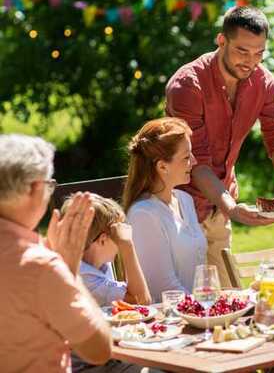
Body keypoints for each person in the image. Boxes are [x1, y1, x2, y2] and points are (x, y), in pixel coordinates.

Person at [166, 5, 274, 286]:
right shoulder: (187, 86)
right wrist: (232, 208)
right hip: (179, 206)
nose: (250, 62)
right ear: (221, 40)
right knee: (186, 298)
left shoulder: (264, 83)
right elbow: (196, 161)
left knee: (229, 297)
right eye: (242, 51)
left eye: (259, 53)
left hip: (218, 203)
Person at [0, 134, 111, 373]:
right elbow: (99, 350)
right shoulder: (40, 265)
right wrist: (69, 272)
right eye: (50, 185)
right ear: (35, 188)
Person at [123, 117, 207, 302]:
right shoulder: (143, 215)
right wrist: (204, 309)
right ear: (162, 166)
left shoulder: (184, 200)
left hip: (197, 311)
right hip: (170, 321)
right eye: (186, 157)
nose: (193, 161)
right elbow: (165, 289)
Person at [61, 193, 152, 307]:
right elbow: (142, 300)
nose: (120, 242)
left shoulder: (98, 264)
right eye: (118, 236)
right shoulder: (88, 279)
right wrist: (127, 245)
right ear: (103, 240)